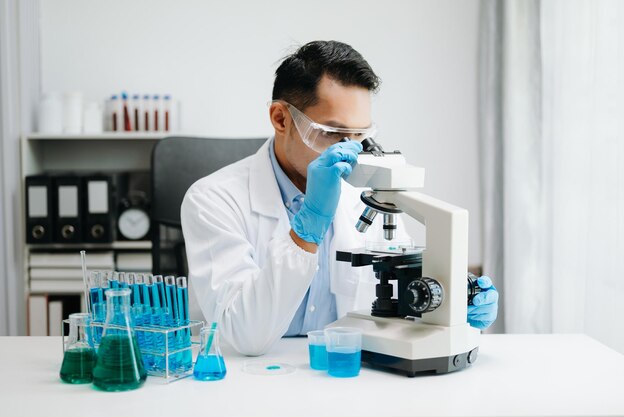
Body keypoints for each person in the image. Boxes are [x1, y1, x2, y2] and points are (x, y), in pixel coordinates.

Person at [181, 40, 498, 356]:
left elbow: (401, 290)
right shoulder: (212, 200)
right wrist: (307, 229)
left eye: (359, 135)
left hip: (343, 370)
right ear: (280, 118)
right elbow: (244, 334)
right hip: (247, 381)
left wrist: (457, 301)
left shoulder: (367, 193)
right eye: (331, 133)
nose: (348, 150)